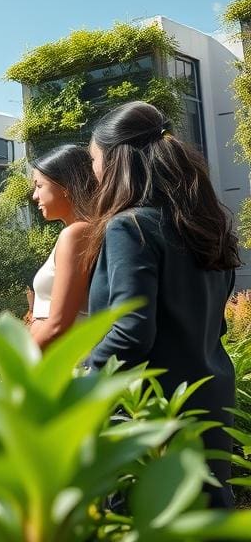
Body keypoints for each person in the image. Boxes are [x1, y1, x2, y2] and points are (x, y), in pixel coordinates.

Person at [86, 101, 240, 508]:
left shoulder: (129, 225)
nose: (94, 172)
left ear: (117, 160)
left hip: (151, 415)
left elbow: (131, 328)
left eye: (95, 159)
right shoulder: (202, 226)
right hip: (209, 401)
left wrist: (81, 374)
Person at [28, 144, 96, 350]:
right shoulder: (77, 232)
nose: (34, 196)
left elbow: (57, 325)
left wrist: (15, 369)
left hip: (63, 365)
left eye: (39, 186)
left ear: (65, 187)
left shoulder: (76, 234)